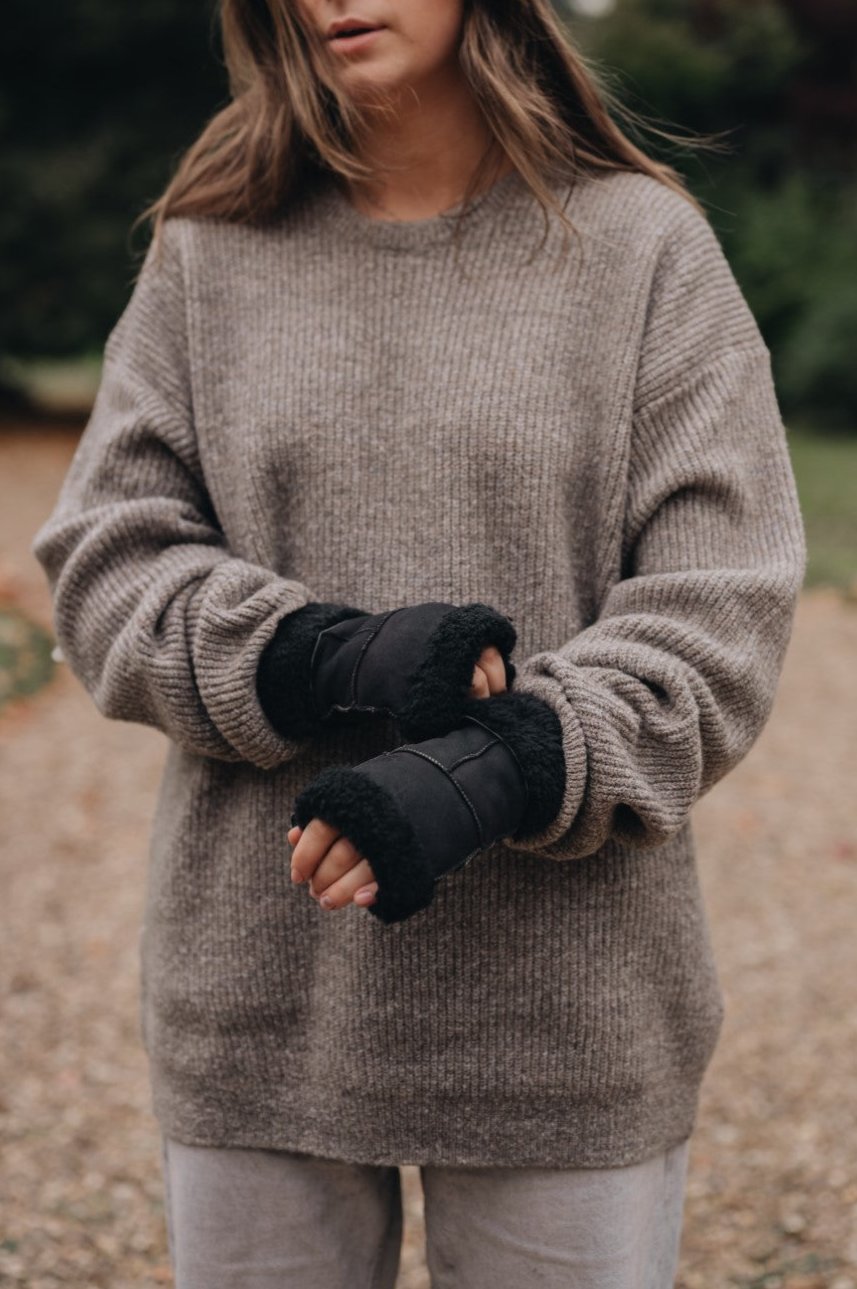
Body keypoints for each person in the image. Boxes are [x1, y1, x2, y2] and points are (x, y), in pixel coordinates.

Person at [31, 0, 807, 1285]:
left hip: (567, 1016)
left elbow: (719, 615)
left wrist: (496, 763)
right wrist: (319, 655)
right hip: (260, 1001)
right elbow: (108, 561)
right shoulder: (208, 251)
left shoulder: (641, 250)